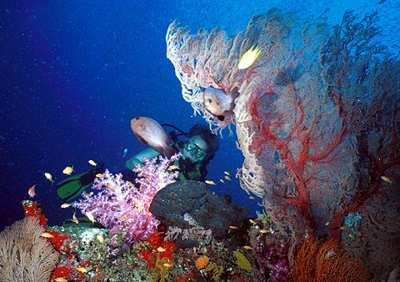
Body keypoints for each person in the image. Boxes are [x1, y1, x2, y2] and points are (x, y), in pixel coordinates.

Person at [125, 124, 219, 181]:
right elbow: (131, 162)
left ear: (205, 158)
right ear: (186, 142)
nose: (193, 152)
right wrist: (151, 177)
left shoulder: (198, 175)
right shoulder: (167, 148)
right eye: (191, 146)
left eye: (199, 153)